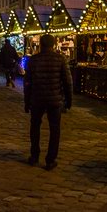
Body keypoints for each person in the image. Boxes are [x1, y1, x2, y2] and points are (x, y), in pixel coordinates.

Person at [24, 34, 72, 171]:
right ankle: (50, 159)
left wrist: (27, 102)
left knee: (35, 128)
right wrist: (68, 101)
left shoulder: (33, 60)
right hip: (54, 99)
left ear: (41, 44)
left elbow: (27, 84)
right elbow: (68, 82)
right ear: (53, 44)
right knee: (54, 129)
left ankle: (34, 156)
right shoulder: (60, 59)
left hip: (37, 98)